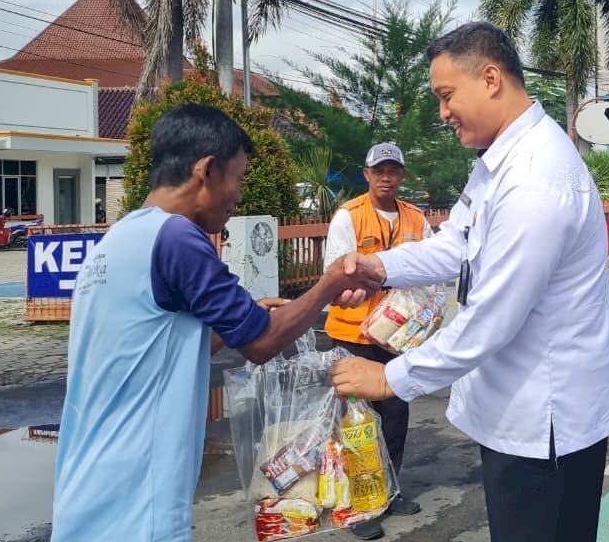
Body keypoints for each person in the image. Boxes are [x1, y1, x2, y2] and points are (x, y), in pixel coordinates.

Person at [329, 22, 609, 542]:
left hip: (544, 423)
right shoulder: (498, 164)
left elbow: (491, 320)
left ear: (489, 78)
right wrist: (381, 268)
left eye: (446, 95)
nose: (443, 113)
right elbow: (457, 243)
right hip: (518, 411)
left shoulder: (535, 178)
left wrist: (390, 379)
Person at [50, 103, 383, 541]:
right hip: (138, 495)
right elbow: (261, 344)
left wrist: (239, 321)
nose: (239, 195)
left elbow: (163, 344)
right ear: (206, 170)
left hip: (86, 483)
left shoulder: (122, 237)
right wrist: (329, 283)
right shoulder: (178, 238)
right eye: (239, 178)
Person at [321, 142, 432, 537]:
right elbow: (338, 271)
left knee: (396, 416)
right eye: (378, 170)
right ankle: (358, 504)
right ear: (366, 174)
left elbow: (430, 270)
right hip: (353, 334)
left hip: (399, 338)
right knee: (356, 421)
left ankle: (388, 489)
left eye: (393, 170)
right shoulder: (348, 217)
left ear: (402, 175)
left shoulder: (418, 219)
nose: (386, 177)